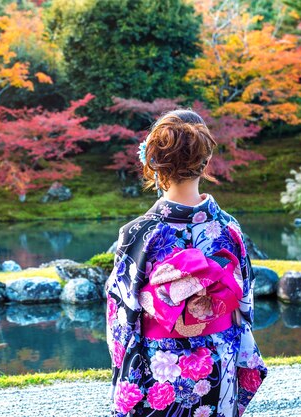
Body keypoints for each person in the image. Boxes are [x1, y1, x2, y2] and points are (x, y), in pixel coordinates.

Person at [105, 109, 267, 417]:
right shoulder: (229, 229)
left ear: (154, 162)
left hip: (160, 367)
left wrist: (122, 370)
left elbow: (122, 317)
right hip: (219, 360)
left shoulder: (138, 234)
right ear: (205, 160)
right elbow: (244, 304)